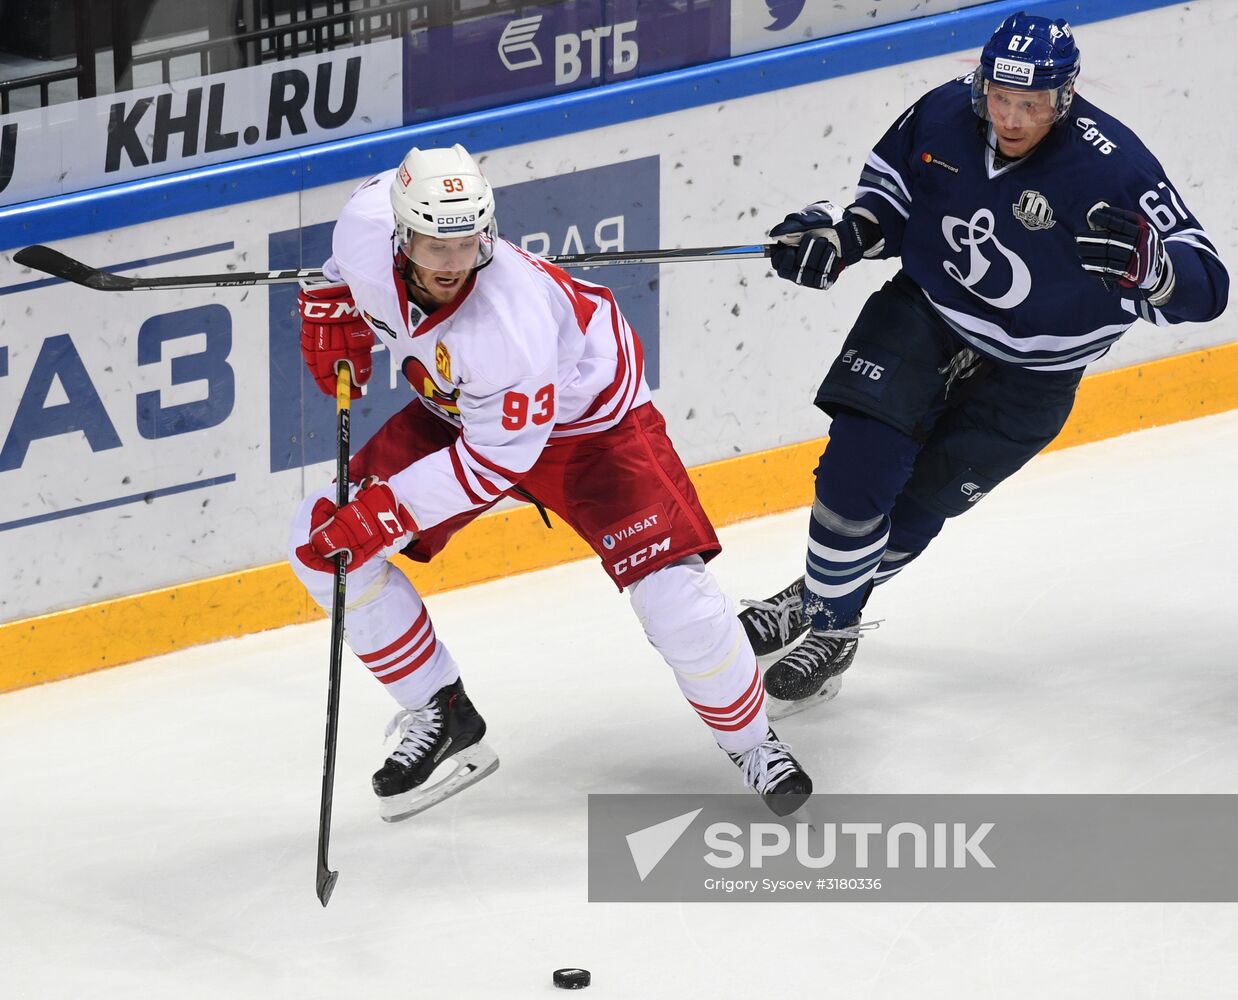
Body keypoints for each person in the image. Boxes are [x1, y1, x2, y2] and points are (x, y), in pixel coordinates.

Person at [288, 143, 811, 820]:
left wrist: (386, 514)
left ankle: (752, 742)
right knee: (319, 537)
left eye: (468, 243)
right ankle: (439, 710)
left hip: (591, 430)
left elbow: (495, 462)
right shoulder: (363, 223)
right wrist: (331, 298)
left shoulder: (510, 323)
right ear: (397, 230)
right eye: (433, 246)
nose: (453, 265)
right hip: (460, 409)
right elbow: (343, 270)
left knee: (678, 607)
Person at [739, 12, 1229, 717]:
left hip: (1035, 374)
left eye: (1032, 104)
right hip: (927, 318)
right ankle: (834, 622)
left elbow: (1208, 285)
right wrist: (844, 237)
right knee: (854, 475)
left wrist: (1154, 269)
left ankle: (817, 599)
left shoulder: (1112, 165)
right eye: (1002, 96)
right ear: (982, 84)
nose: (1013, 116)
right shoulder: (941, 114)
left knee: (914, 510)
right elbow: (891, 203)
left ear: (1064, 99)